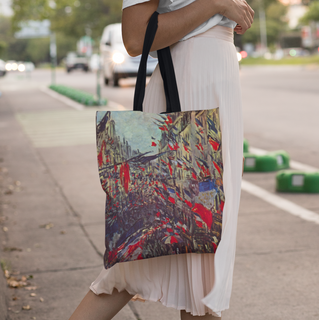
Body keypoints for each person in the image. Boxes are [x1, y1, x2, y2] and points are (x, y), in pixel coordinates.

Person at [69, 0, 254, 319]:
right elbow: (135, 37)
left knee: (197, 250)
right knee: (202, 247)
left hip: (215, 85)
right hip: (190, 91)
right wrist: (216, 4)